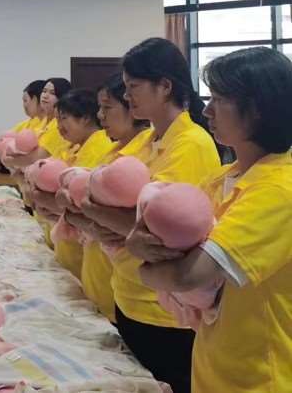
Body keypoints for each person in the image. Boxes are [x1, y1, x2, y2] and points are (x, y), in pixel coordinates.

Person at [125, 47, 292, 393]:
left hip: (261, 376)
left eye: (219, 99)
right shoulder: (220, 180)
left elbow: (187, 275)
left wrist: (144, 267)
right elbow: (152, 247)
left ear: (258, 108)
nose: (206, 110)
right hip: (214, 364)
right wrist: (138, 248)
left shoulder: (279, 189)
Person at [77, 38, 220, 393]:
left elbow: (155, 229)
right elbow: (104, 196)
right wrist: (105, 215)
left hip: (163, 310)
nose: (128, 97)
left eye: (134, 87)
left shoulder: (191, 143)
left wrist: (94, 212)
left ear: (165, 86)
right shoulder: (145, 141)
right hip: (127, 293)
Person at [62, 74, 150, 323]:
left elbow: (134, 224)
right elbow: (74, 203)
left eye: (107, 108)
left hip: (137, 293)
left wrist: (84, 213)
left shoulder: (138, 154)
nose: (100, 116)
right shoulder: (113, 151)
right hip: (106, 277)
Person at [30, 88, 113, 279]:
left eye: (63, 119)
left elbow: (76, 202)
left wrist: (46, 199)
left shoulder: (99, 147)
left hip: (86, 252)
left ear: (85, 118)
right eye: (57, 120)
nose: (59, 126)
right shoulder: (74, 146)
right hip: (70, 246)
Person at [2, 77, 73, 169]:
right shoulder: (43, 122)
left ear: (62, 98)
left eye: (52, 93)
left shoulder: (58, 125)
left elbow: (37, 157)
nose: (45, 96)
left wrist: (8, 160)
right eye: (44, 91)